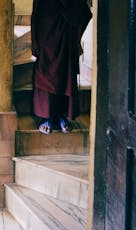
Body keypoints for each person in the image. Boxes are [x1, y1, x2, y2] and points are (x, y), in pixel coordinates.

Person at [31, 0, 92, 134]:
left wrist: (77, 40)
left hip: (67, 38)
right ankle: (47, 117)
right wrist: (34, 41)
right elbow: (35, 13)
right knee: (45, 75)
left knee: (66, 76)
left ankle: (62, 115)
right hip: (46, 38)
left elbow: (85, 13)